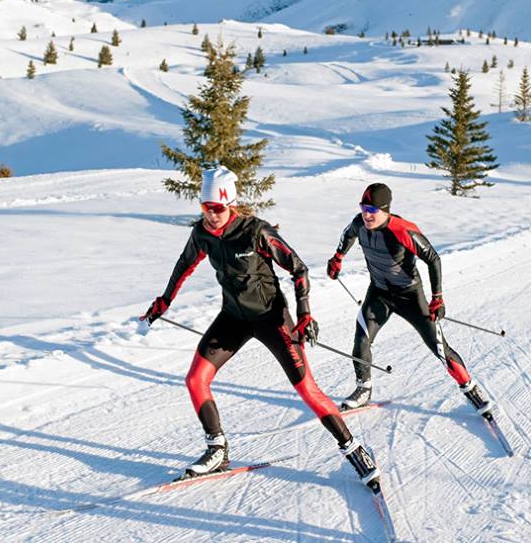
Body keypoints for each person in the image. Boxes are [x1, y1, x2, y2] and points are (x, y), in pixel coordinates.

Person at [142, 165, 380, 488]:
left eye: (216, 208)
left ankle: (354, 449)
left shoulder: (256, 232)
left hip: (272, 318)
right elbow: (183, 266)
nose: (210, 215)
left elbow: (299, 269)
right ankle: (217, 448)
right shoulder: (201, 234)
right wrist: (164, 302)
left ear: (230, 204)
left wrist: (305, 313)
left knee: (308, 390)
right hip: (234, 317)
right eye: (204, 208)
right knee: (196, 379)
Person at [326, 182, 492, 416]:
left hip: (410, 296)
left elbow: (433, 259)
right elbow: (347, 234)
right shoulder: (358, 223)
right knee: (361, 340)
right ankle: (363, 390)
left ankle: (470, 388)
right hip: (379, 293)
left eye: (372, 210)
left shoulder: (403, 230)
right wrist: (337, 257)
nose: (366, 214)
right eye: (364, 208)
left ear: (385, 210)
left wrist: (437, 298)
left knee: (438, 347)